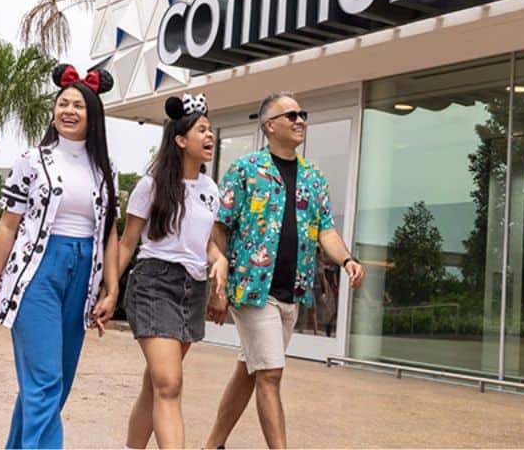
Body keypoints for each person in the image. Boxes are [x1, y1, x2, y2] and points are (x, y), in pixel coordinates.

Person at [204, 91, 366, 450]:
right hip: (252, 290)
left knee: (251, 371)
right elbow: (219, 229)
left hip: (292, 292)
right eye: (290, 115)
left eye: (302, 114)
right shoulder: (245, 170)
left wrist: (347, 260)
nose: (300, 120)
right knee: (271, 374)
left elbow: (326, 229)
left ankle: (212, 444)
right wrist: (218, 280)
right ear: (270, 125)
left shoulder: (313, 177)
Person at [0, 64, 121, 449]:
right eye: (62, 103)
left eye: (78, 105)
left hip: (83, 274)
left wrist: (112, 288)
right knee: (45, 382)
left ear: (94, 115)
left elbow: (109, 233)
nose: (68, 111)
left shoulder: (107, 169)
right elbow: (7, 226)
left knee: (53, 387)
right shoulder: (31, 160)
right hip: (36, 274)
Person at [114, 93, 223, 450]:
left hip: (192, 289)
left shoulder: (210, 189)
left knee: (156, 384)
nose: (210, 137)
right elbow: (128, 241)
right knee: (170, 384)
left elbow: (203, 243)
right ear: (180, 140)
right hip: (154, 283)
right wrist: (109, 291)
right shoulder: (151, 186)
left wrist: (218, 259)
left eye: (211, 130)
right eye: (202, 130)